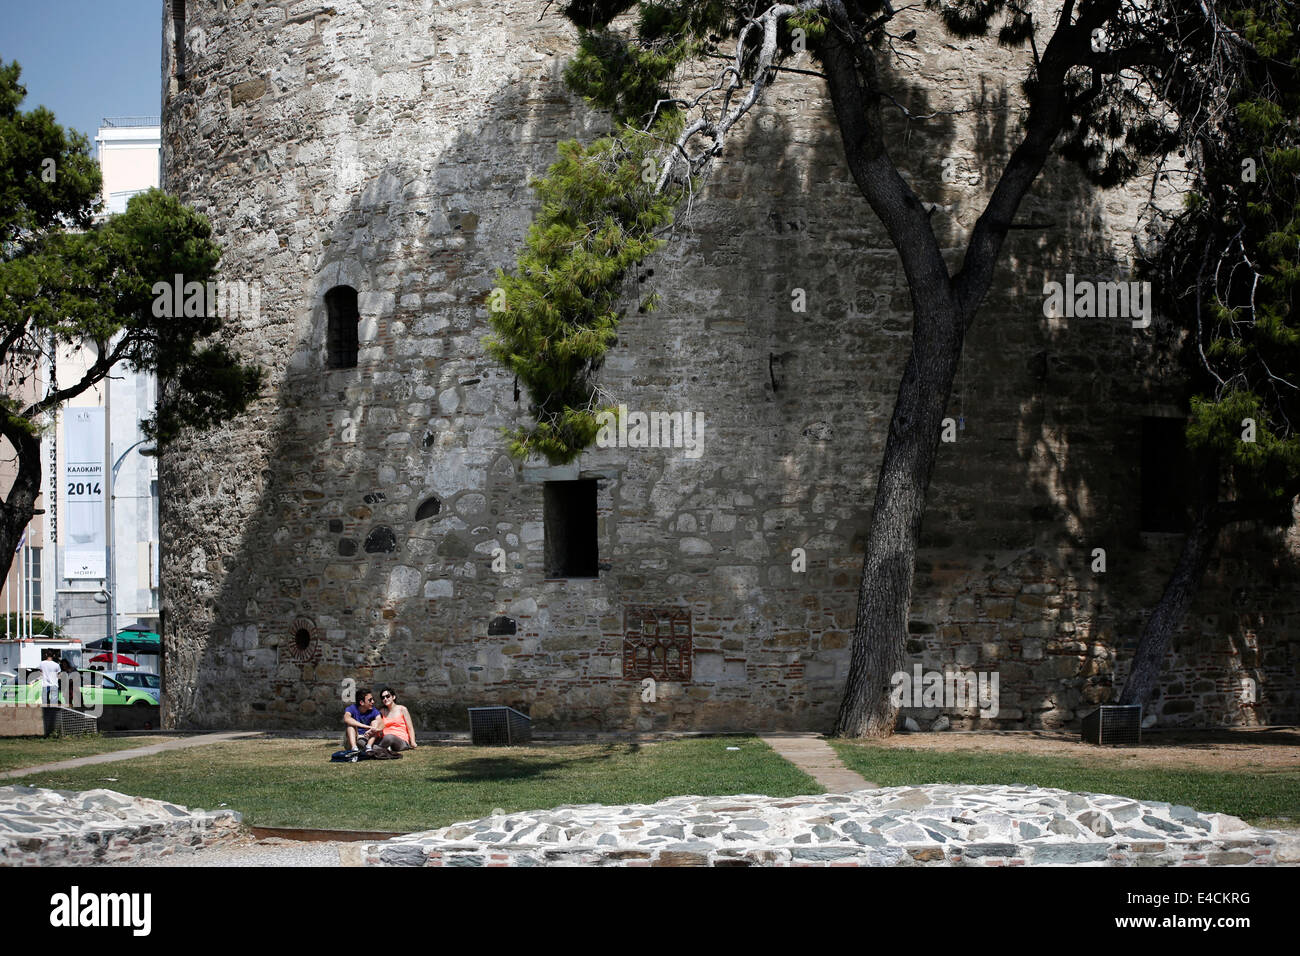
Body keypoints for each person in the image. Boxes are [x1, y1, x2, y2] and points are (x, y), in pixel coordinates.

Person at [368, 687, 417, 757]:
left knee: (389, 737)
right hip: (384, 740)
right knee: (363, 741)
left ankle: (373, 749)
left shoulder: (402, 709)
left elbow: (410, 727)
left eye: (387, 696)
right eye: (383, 698)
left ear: (393, 697)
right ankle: (380, 748)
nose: (385, 699)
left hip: (400, 740)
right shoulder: (382, 711)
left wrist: (412, 742)